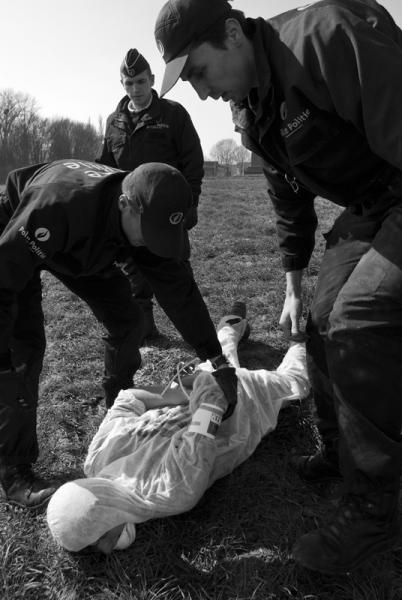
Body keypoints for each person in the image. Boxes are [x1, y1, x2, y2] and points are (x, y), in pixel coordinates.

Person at [154, 0, 402, 574]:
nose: (201, 92)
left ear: (233, 34)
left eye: (199, 72)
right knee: (320, 318)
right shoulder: (253, 110)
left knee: (360, 318)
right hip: (372, 205)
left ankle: (375, 508)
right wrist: (293, 285)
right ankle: (341, 451)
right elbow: (289, 200)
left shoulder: (324, 39)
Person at [0, 159, 230, 510]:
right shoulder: (59, 205)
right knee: (23, 350)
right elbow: (3, 282)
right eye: (149, 232)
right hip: (19, 231)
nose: (153, 242)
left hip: (87, 245)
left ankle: (117, 404)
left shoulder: (149, 212)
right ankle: (13, 468)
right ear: (125, 205)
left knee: (129, 321)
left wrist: (216, 358)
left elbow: (179, 291)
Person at [46, 303, 310, 554]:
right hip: (202, 391)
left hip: (238, 404)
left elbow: (207, 412)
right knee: (219, 359)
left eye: (97, 541)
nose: (105, 550)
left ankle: (306, 331)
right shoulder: (96, 463)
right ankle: (233, 323)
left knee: (296, 383)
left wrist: (194, 389)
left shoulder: (172, 490)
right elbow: (133, 400)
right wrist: (190, 389)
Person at [96, 48, 204, 341]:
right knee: (134, 278)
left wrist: (190, 204)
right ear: (122, 84)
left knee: (177, 273)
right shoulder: (114, 122)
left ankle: (197, 334)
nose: (136, 89)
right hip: (130, 217)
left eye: (141, 81)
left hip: (167, 214)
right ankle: (146, 334)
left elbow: (193, 163)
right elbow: (106, 169)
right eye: (129, 83)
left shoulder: (173, 114)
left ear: (152, 80)